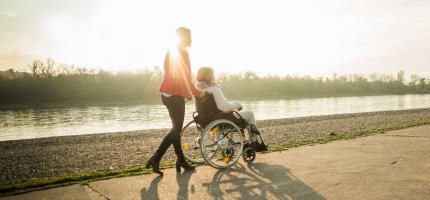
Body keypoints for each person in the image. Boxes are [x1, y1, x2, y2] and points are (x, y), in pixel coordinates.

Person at [145, 27, 204, 175]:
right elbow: (184, 76)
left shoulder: (170, 51)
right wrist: (197, 92)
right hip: (175, 95)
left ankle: (179, 160)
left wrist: (186, 92)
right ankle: (157, 158)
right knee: (176, 130)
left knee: (176, 131)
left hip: (167, 94)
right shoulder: (182, 52)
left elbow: (172, 75)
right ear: (187, 38)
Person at [195, 67, 263, 138]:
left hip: (206, 122)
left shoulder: (198, 91)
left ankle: (246, 137)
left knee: (242, 118)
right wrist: (237, 104)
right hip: (220, 119)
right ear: (210, 76)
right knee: (250, 114)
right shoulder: (214, 89)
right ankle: (252, 140)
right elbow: (225, 107)